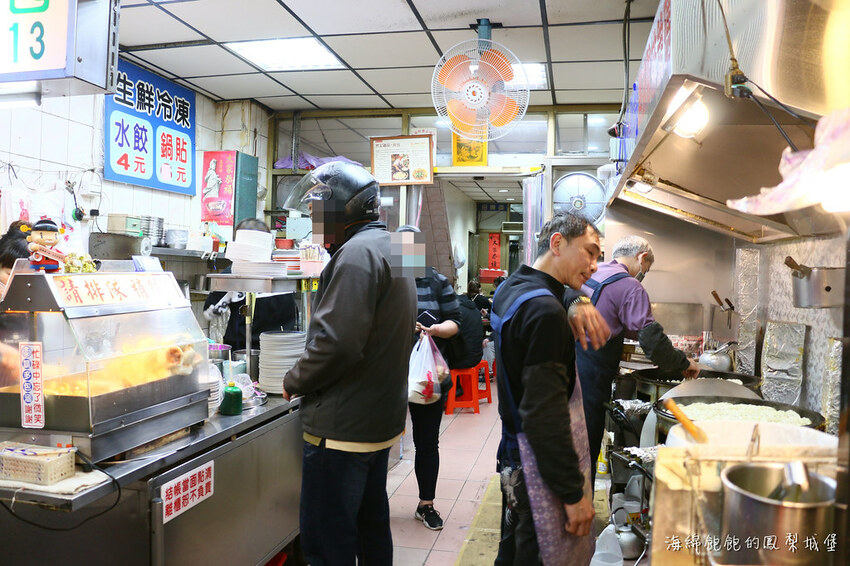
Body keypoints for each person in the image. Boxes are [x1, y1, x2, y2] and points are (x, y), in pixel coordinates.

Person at [281, 162, 416, 565]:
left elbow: (336, 344)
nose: (313, 225)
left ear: (341, 210)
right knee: (371, 527)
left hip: (342, 428)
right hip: (379, 421)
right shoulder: (398, 247)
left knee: (326, 543)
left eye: (316, 215)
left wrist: (294, 380)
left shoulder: (354, 255)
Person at [492, 212, 605, 565]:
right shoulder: (545, 312)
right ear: (557, 243)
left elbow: (551, 289)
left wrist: (573, 297)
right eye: (590, 252)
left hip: (513, 457)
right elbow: (544, 415)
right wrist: (573, 494)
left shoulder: (511, 288)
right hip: (538, 466)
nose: (595, 266)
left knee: (511, 550)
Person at [573, 235, 700, 483]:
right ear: (642, 258)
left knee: (572, 447)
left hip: (570, 370)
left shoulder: (595, 274)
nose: (643, 274)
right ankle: (577, 512)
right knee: (585, 447)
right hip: (590, 380)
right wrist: (684, 363)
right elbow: (653, 343)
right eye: (646, 269)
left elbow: (614, 318)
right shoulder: (631, 286)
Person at [396, 224, 459, 531]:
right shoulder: (385, 278)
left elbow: (454, 323)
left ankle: (426, 504)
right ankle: (370, 506)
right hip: (389, 375)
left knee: (426, 441)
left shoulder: (436, 281)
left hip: (428, 377)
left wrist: (434, 330)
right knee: (378, 439)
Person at [203, 219, 298, 349]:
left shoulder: (232, 274)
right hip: (284, 347)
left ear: (239, 242)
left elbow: (210, 312)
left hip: (244, 349)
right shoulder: (281, 271)